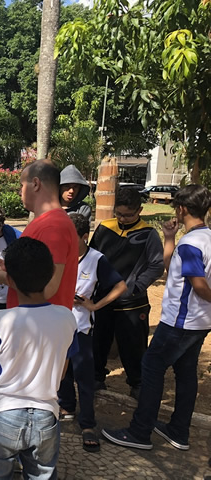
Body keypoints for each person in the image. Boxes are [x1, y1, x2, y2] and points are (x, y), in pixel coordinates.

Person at [102, 184, 211, 451]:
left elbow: (198, 285)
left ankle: (140, 431)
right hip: (199, 322)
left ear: (181, 209)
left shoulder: (192, 245)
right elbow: (171, 267)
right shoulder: (204, 238)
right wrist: (170, 237)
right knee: (185, 372)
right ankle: (178, 430)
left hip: (180, 322)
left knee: (151, 368)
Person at [0, 237, 78, 480]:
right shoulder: (67, 319)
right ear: (51, 274)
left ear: (9, 280)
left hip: (2, 415)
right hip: (46, 415)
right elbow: (62, 372)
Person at [58, 213, 126, 453]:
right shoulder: (59, 256)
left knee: (84, 377)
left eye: (71, 237)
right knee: (61, 372)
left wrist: (95, 305)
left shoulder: (96, 259)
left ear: (84, 237)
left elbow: (120, 286)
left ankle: (87, 424)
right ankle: (67, 406)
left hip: (81, 328)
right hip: (57, 324)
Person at [89, 187, 164, 399]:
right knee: (98, 341)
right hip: (102, 299)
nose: (122, 219)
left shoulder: (148, 234)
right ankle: (96, 378)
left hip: (132, 303)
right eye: (119, 214)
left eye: (128, 215)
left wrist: (136, 287)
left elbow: (156, 265)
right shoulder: (105, 227)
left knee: (134, 346)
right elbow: (92, 256)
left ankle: (137, 383)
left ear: (139, 210)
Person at [0, 161, 79, 312]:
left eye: (22, 186)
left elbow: (47, 288)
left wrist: (0, 276)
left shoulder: (53, 226)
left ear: (35, 184)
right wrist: (10, 269)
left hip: (41, 322)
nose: (20, 192)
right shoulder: (47, 222)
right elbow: (36, 274)